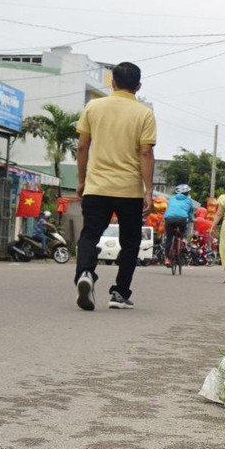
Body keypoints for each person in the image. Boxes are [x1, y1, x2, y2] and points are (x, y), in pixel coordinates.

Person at [73, 61, 156, 310]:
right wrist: (148, 190)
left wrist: (81, 181)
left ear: (112, 82)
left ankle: (85, 274)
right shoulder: (144, 114)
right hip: (129, 190)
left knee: (89, 234)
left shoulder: (94, 107)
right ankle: (120, 293)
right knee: (130, 242)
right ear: (139, 86)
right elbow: (145, 153)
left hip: (96, 186)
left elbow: (82, 146)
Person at [162, 183, 198, 266]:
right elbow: (190, 214)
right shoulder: (189, 201)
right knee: (186, 227)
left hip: (169, 219)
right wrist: (192, 219)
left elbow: (168, 209)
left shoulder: (171, 199)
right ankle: (184, 239)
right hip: (182, 219)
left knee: (169, 239)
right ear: (187, 193)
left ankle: (167, 258)